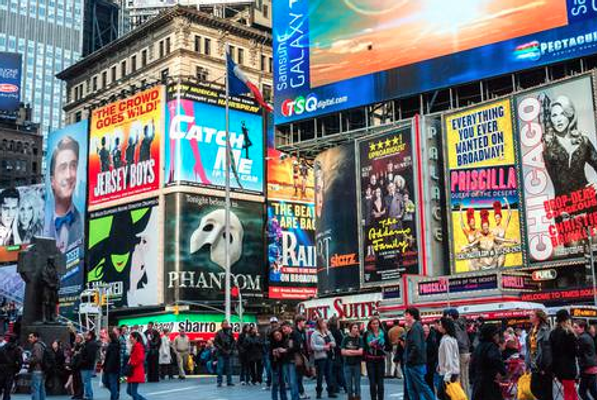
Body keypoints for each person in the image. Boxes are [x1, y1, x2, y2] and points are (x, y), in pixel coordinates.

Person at [541, 94, 597, 199]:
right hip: (562, 204)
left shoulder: (583, 141)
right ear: (550, 119)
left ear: (569, 115)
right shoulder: (548, 145)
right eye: (554, 115)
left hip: (588, 200)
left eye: (562, 114)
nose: (558, 119)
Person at [46, 136, 83, 253]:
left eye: (73, 166)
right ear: (52, 181)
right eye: (62, 168)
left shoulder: (85, 223)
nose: (69, 175)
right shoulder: (41, 226)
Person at [404, 307, 435, 400]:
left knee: (420, 386)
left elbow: (416, 346)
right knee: (413, 388)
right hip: (413, 362)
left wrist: (409, 359)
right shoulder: (415, 327)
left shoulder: (416, 328)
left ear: (412, 315)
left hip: (414, 363)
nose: (405, 316)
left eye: (406, 314)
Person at [470, 324, 506, 400]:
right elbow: (495, 359)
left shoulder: (478, 346)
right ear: (492, 335)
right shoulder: (491, 346)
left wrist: (473, 379)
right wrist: (503, 372)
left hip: (478, 383)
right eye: (496, 334)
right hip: (489, 382)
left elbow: (472, 364)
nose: (498, 336)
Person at [550, 309, 578, 400]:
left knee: (571, 390)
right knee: (569, 391)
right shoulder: (568, 333)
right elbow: (574, 352)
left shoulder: (552, 333)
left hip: (558, 368)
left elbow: (551, 351)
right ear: (566, 320)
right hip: (568, 367)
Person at [444, 308, 472, 396]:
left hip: (460, 352)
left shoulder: (454, 325)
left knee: (461, 378)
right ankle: (467, 395)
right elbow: (467, 339)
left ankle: (463, 396)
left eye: (448, 315)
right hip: (467, 352)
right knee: (466, 378)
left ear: (451, 316)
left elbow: (458, 340)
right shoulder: (462, 323)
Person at [527, 309, 553, 400]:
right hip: (534, 365)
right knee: (534, 388)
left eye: (532, 315)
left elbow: (547, 350)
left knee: (546, 392)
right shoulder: (532, 330)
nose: (529, 317)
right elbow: (529, 348)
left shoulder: (545, 330)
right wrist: (528, 363)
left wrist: (545, 367)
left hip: (542, 366)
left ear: (538, 318)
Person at [310, 318, 337, 399]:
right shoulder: (315, 334)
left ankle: (330, 392)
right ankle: (319, 393)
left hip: (329, 356)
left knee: (329, 375)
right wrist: (323, 347)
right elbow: (313, 346)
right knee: (320, 376)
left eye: (325, 323)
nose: (325, 324)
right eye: (324, 323)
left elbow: (334, 342)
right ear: (320, 324)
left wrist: (331, 344)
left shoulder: (328, 332)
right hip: (320, 357)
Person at [363, 317, 387, 400]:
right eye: (373, 323)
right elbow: (364, 346)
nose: (376, 325)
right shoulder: (366, 334)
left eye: (377, 323)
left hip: (380, 359)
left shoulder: (383, 333)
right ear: (370, 325)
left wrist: (383, 346)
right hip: (370, 360)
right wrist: (370, 345)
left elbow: (389, 346)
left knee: (380, 382)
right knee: (372, 382)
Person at [437, 317, 459, 400]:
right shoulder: (451, 338)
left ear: (445, 327)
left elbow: (449, 358)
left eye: (440, 325)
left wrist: (447, 376)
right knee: (446, 395)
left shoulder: (447, 340)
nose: (439, 326)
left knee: (445, 395)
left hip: (448, 373)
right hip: (450, 371)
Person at [575, 319, 597, 400]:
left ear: (582, 328)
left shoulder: (582, 338)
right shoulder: (587, 336)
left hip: (587, 369)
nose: (574, 329)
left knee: (582, 392)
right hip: (592, 368)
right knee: (593, 391)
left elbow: (578, 353)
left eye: (576, 327)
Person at [341, 322, 363, 400]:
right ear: (350, 329)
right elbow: (343, 352)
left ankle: (358, 397)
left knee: (357, 384)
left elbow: (360, 352)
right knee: (348, 384)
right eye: (354, 327)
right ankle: (350, 397)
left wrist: (349, 351)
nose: (356, 329)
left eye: (357, 328)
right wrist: (355, 352)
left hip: (357, 364)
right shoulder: (345, 338)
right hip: (347, 364)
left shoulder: (360, 339)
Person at [0, 333, 22, 400]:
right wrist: (16, 370)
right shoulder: (17, 349)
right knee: (7, 391)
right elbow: (20, 362)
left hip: (1, 370)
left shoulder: (2, 348)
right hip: (10, 371)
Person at [126, 332, 147, 400]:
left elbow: (141, 358)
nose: (130, 339)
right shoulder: (134, 346)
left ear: (136, 338)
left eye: (131, 337)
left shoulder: (138, 346)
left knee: (133, 392)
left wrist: (132, 363)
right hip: (132, 371)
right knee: (129, 391)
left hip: (136, 371)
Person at [328, 317, 346, 396]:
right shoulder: (338, 331)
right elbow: (342, 342)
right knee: (340, 371)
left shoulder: (328, 331)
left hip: (331, 353)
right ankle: (345, 386)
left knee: (333, 372)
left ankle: (336, 387)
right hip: (338, 353)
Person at [214, 320, 235, 387]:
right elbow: (215, 342)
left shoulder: (230, 332)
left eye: (227, 324)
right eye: (224, 324)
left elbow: (233, 341)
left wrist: (230, 349)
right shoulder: (218, 333)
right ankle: (219, 382)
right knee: (220, 368)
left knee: (229, 368)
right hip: (221, 353)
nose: (226, 325)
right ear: (222, 325)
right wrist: (221, 349)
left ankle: (229, 381)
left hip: (228, 352)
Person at [80, 331, 99, 400]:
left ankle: (89, 396)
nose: (84, 335)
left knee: (86, 382)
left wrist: (82, 361)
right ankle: (88, 395)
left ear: (90, 336)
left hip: (87, 366)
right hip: (87, 365)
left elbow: (90, 356)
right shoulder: (89, 343)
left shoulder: (91, 344)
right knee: (86, 381)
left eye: (86, 334)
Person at [270, 328, 288, 400]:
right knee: (275, 383)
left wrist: (282, 351)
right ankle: (274, 398)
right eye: (275, 335)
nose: (278, 336)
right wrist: (274, 354)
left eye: (279, 334)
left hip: (283, 363)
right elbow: (270, 356)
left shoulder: (284, 342)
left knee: (282, 382)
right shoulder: (272, 344)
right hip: (275, 365)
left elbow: (287, 352)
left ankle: (284, 398)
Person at [28, 332, 46, 400]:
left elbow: (37, 358)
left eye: (31, 337)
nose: (29, 339)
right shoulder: (42, 344)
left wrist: (28, 360)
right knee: (41, 389)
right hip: (42, 369)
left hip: (36, 370)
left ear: (36, 338)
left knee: (35, 390)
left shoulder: (36, 345)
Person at [103, 331, 121, 400]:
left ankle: (115, 395)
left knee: (111, 383)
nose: (106, 337)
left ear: (111, 338)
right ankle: (115, 394)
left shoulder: (114, 346)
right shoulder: (112, 345)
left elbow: (112, 359)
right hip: (110, 367)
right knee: (106, 382)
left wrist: (107, 368)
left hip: (112, 368)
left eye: (108, 336)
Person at [423, 324, 439, 394]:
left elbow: (435, 353)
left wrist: (432, 362)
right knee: (424, 382)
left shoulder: (432, 340)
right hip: (423, 363)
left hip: (430, 364)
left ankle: (431, 396)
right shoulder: (421, 339)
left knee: (430, 382)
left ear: (429, 331)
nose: (425, 332)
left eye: (426, 331)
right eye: (424, 331)